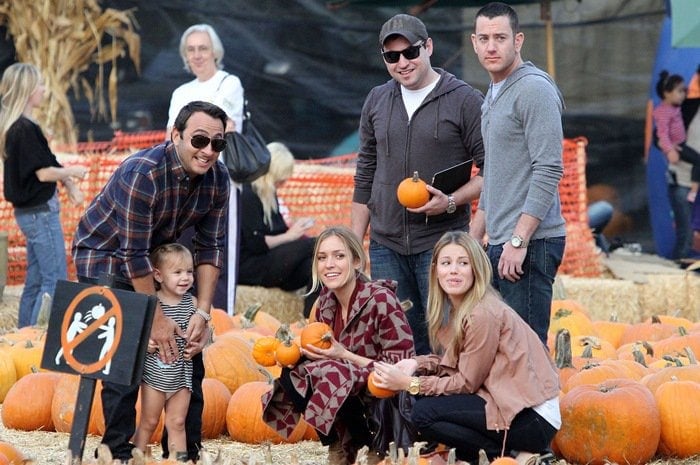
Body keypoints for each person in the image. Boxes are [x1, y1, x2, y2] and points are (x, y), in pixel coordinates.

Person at [72, 100, 229, 462]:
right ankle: (118, 450)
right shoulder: (143, 173)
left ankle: (183, 450)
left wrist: (203, 315)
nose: (208, 151)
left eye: (217, 144)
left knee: (191, 347)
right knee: (127, 347)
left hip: (154, 258)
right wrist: (155, 318)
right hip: (105, 255)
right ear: (176, 135)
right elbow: (132, 254)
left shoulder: (218, 179)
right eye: (199, 140)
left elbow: (210, 247)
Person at [351, 13, 485, 355]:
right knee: (399, 344)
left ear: (428, 47)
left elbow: (493, 172)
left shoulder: (465, 100)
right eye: (392, 56)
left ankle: (446, 406)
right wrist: (355, 244)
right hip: (385, 244)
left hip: (440, 244)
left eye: (410, 52)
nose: (402, 63)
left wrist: (451, 201)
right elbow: (365, 173)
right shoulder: (377, 100)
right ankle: (409, 408)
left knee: (448, 339)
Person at [372, 231, 560, 465]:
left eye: (463, 263)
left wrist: (409, 384)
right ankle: (483, 454)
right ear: (435, 271)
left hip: (531, 417)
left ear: (476, 270)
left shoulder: (482, 314)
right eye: (446, 263)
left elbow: (465, 382)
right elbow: (457, 364)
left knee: (423, 414)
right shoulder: (461, 310)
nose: (453, 270)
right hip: (510, 404)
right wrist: (416, 363)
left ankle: (513, 455)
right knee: (426, 406)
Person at [261, 226, 415, 465]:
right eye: (322, 258)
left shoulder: (382, 300)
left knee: (334, 372)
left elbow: (401, 366)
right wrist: (300, 354)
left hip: (385, 394)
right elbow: (321, 357)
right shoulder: (324, 303)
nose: (329, 264)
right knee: (294, 370)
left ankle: (377, 445)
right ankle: (339, 445)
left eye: (339, 256)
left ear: (356, 261)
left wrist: (345, 355)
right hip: (347, 387)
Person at [468, 2, 566, 345]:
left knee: (525, 353)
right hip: (500, 242)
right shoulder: (494, 94)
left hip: (530, 243)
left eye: (500, 37)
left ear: (518, 40)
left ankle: (543, 403)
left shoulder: (533, 89)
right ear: (474, 43)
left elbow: (549, 168)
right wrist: (474, 235)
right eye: (484, 38)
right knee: (502, 353)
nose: (492, 46)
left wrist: (518, 239)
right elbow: (494, 172)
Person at [0, 63, 86, 328]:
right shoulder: (24, 129)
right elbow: (43, 173)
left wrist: (68, 182)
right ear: (27, 90)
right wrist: (74, 171)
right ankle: (40, 334)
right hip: (40, 213)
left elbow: (47, 164)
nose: (44, 90)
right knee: (55, 278)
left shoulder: (18, 127)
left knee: (35, 279)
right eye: (40, 85)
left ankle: (21, 335)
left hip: (30, 213)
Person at [167, 23, 245, 313]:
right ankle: (184, 317)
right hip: (183, 185)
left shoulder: (230, 83)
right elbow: (171, 138)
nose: (197, 55)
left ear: (215, 52)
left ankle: (222, 321)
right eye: (191, 49)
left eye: (203, 48)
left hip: (219, 182)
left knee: (218, 256)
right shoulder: (179, 92)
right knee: (183, 255)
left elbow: (225, 128)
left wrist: (193, 137)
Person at [133, 243, 198, 462]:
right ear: (158, 276)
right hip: (154, 376)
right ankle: (136, 458)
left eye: (189, 271)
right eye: (178, 272)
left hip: (181, 376)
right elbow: (139, 334)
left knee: (177, 423)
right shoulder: (153, 303)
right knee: (149, 422)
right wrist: (147, 344)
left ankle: (177, 460)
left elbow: (205, 332)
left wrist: (199, 343)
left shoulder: (192, 303)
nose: (185, 277)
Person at [238, 141, 317, 316]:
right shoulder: (248, 195)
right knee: (319, 243)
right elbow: (255, 243)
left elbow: (280, 233)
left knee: (316, 267)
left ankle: (311, 321)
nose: (284, 182)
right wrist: (290, 236)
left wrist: (296, 233)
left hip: (270, 262)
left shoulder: (269, 195)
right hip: (250, 266)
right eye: (282, 177)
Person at [653, 70, 700, 205]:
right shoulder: (687, 105)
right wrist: (668, 149)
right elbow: (659, 134)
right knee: (688, 225)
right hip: (685, 182)